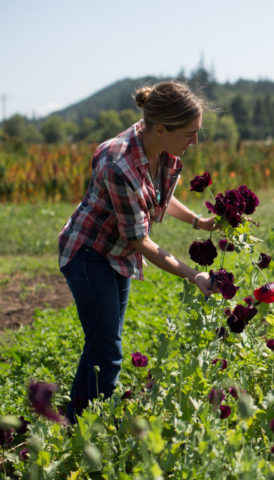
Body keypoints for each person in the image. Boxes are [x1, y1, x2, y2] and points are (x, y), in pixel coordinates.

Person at [58, 81, 217, 423]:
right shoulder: (119, 163)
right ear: (160, 129)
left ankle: (75, 420)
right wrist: (193, 275)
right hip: (89, 252)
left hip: (117, 253)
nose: (195, 141)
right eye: (189, 133)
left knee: (101, 341)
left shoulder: (154, 145)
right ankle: (97, 427)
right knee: (108, 350)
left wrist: (198, 221)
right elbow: (140, 241)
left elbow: (157, 193)